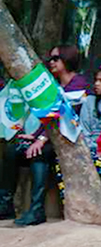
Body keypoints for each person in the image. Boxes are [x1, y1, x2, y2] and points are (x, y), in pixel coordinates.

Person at [0, 45, 89, 226]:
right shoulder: (55, 85)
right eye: (50, 59)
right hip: (51, 138)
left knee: (39, 153)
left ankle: (37, 210)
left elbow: (63, 115)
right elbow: (49, 118)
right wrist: (35, 136)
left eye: (56, 58)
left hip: (72, 141)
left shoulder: (79, 83)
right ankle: (6, 204)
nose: (51, 62)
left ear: (68, 59)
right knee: (12, 152)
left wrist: (41, 140)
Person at [78, 66, 101, 158]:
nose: (96, 84)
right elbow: (84, 128)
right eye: (96, 80)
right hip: (90, 149)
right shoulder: (89, 101)